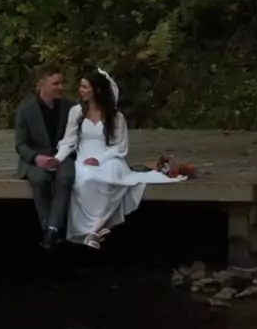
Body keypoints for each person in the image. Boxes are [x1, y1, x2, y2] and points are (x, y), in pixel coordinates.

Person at [56, 68, 187, 249]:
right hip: (85, 157)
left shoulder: (116, 117)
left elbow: (120, 146)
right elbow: (68, 141)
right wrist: (57, 159)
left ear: (97, 90)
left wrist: (100, 160)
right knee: (85, 179)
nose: (80, 91)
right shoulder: (76, 112)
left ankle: (96, 229)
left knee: (109, 178)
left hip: (110, 157)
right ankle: (91, 229)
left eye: (85, 87)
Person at [14, 63, 73, 249]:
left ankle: (52, 230)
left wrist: (61, 157)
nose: (61, 87)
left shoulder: (71, 107)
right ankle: (50, 228)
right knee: (41, 180)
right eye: (56, 83)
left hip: (62, 156)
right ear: (42, 84)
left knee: (67, 177)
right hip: (36, 158)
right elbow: (21, 145)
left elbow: (76, 137)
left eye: (61, 83)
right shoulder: (25, 110)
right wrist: (36, 158)